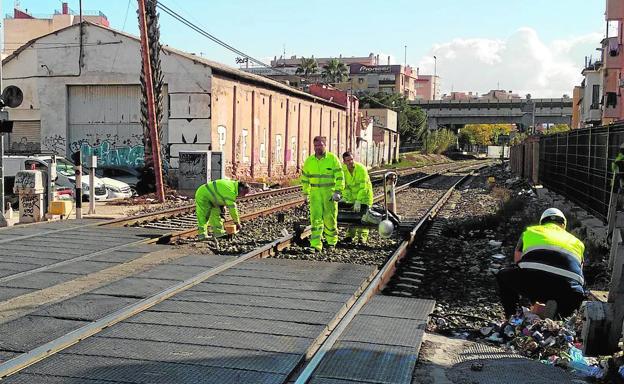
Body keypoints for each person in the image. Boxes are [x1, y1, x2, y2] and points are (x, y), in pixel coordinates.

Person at [496, 208, 585, 319]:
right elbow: (579, 270)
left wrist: (531, 296)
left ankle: (512, 316)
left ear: (542, 222)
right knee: (566, 308)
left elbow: (518, 261)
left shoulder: (530, 232)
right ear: (564, 225)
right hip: (570, 291)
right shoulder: (578, 243)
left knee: (503, 275)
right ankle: (558, 317)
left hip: (536, 282)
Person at [301, 136, 344, 252]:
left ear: (325, 145)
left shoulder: (332, 159)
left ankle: (331, 243)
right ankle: (315, 244)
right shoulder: (309, 161)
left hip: (329, 193)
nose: (317, 148)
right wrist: (305, 193)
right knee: (315, 220)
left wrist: (338, 191)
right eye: (315, 145)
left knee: (329, 219)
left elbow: (340, 176)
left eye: (320, 145)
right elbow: (305, 178)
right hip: (315, 193)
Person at [341, 151, 374, 243]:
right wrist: (345, 197)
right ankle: (349, 236)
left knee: (363, 217)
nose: (350, 162)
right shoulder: (343, 170)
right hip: (352, 196)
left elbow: (363, 187)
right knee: (352, 216)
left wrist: (359, 200)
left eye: (351, 159)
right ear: (344, 162)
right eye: (347, 160)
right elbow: (345, 186)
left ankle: (362, 237)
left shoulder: (361, 169)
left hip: (365, 196)